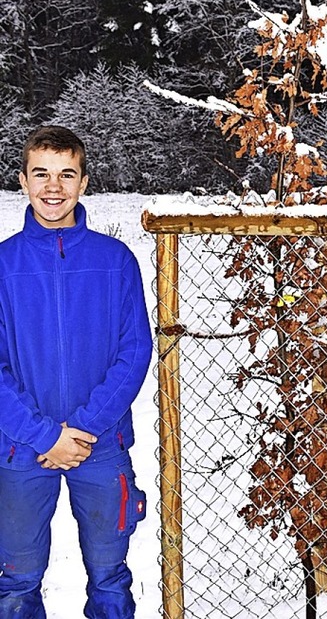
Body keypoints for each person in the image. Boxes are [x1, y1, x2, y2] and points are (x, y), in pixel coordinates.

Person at [0, 126, 153, 618]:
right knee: (16, 582)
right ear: (23, 180)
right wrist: (44, 435)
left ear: (84, 183)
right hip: (20, 447)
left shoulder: (116, 261)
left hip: (102, 444)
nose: (53, 186)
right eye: (41, 173)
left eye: (66, 174)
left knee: (110, 578)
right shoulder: (3, 264)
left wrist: (82, 429)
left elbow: (134, 352)